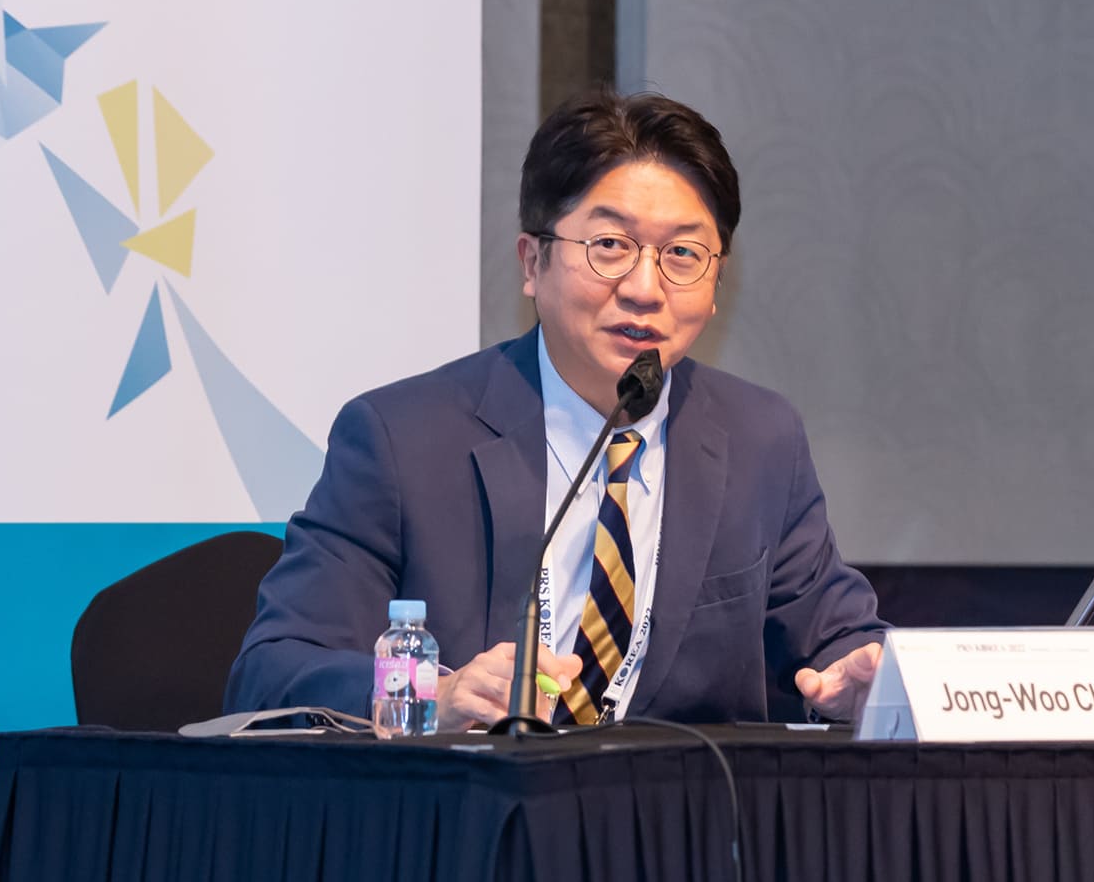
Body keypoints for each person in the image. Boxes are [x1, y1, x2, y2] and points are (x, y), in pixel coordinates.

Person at [226, 86, 888, 729]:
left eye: (683, 254)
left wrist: (865, 681)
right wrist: (435, 696)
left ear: (716, 284)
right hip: (480, 800)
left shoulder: (760, 441)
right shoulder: (403, 442)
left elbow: (839, 642)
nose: (645, 288)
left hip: (682, 803)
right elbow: (272, 672)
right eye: (610, 246)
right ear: (532, 262)